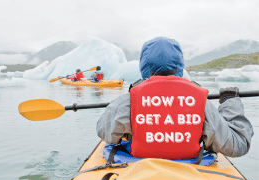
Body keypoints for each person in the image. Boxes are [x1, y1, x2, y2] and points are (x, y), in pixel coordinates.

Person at [96, 37, 254, 159]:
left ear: (144, 66)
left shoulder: (129, 100)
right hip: (192, 168)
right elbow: (238, 145)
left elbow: (104, 131)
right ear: (179, 65)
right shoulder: (201, 103)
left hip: (140, 166)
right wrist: (230, 101)